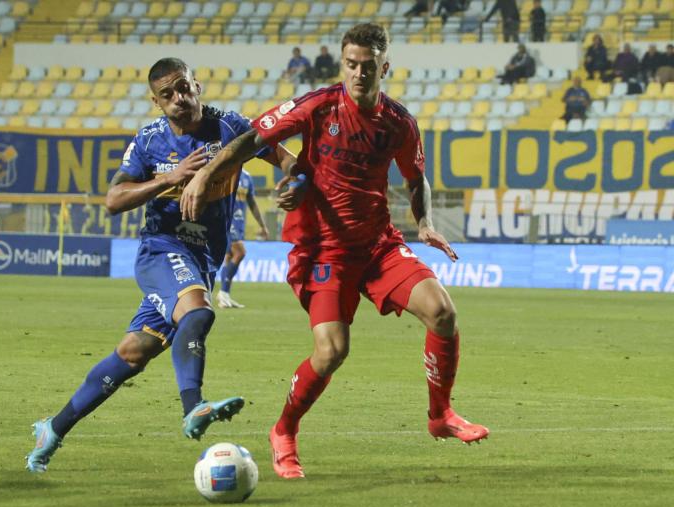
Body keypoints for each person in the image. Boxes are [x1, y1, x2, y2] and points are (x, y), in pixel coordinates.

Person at [180, 23, 489, 479]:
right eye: (351, 65)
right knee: (331, 351)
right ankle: (283, 430)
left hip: (378, 245)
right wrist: (206, 176)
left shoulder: (400, 123)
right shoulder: (319, 105)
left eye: (368, 67)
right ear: (342, 65)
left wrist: (423, 223)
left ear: (384, 67)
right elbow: (252, 139)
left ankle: (440, 415)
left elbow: (415, 175)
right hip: (325, 250)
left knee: (442, 311)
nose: (359, 73)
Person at [25, 58, 298, 473]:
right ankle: (194, 407)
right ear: (156, 102)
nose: (178, 99)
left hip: (202, 260)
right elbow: (114, 199)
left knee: (134, 352)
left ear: (197, 86)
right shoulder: (150, 140)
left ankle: (53, 428)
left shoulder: (231, 128)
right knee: (199, 309)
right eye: (167, 95)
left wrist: (294, 180)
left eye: (183, 88)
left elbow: (284, 155)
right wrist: (170, 178)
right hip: (161, 249)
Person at [217, 169, 269, 309]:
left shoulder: (246, 177)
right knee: (240, 252)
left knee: (229, 256)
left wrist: (262, 225)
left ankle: (225, 295)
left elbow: (251, 202)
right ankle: (222, 292)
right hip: (226, 220)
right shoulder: (225, 171)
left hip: (239, 222)